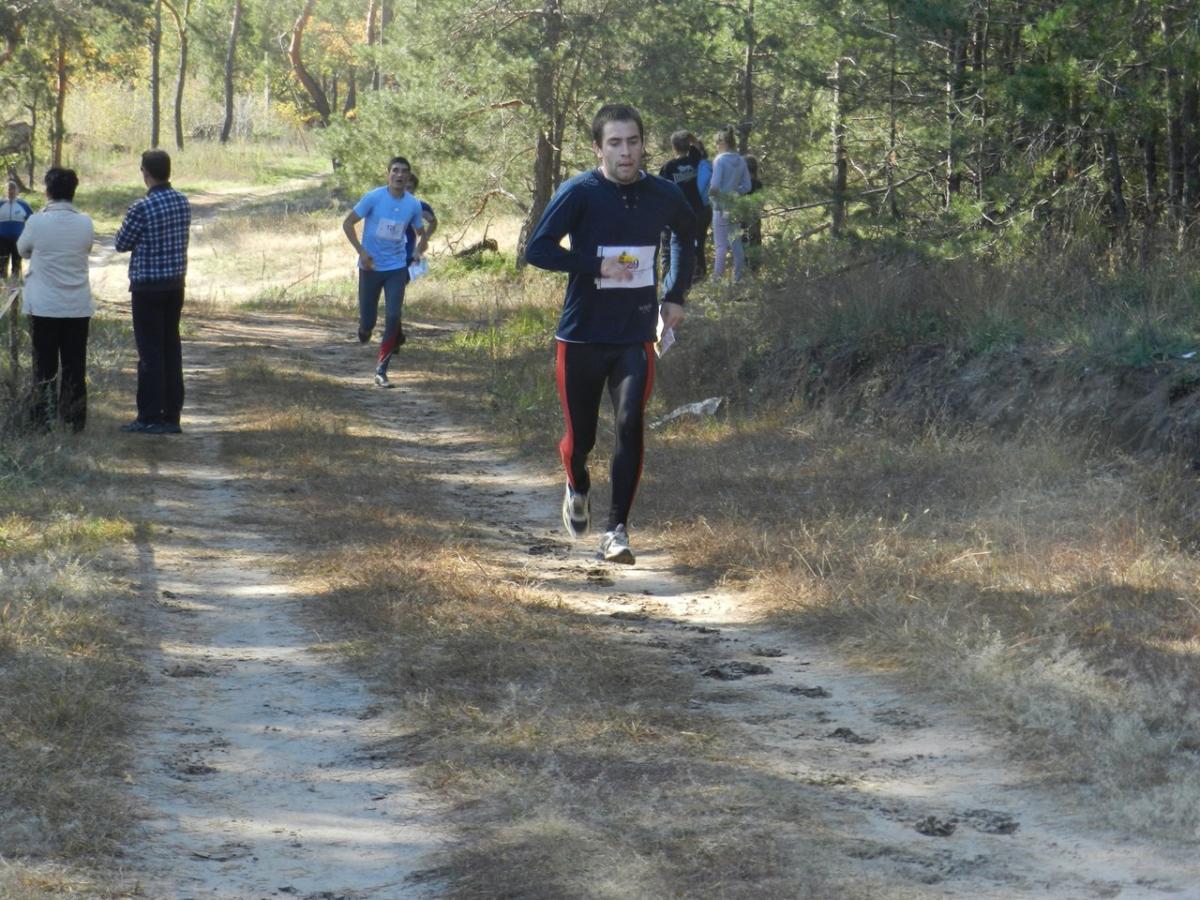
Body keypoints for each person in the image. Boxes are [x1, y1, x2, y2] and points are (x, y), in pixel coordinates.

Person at [525, 102, 697, 565]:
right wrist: (593, 264)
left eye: (634, 142)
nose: (626, 152)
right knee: (581, 440)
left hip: (634, 335)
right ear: (598, 148)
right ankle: (577, 485)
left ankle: (616, 531)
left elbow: (686, 236)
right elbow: (537, 249)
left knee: (629, 425)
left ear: (644, 144)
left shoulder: (663, 194)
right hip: (580, 336)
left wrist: (675, 293)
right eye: (616, 143)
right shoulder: (580, 191)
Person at [114, 149, 192, 435]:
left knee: (149, 352)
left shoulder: (141, 207)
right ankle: (172, 415)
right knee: (171, 347)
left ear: (145, 172)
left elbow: (121, 243)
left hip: (147, 286)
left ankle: (149, 415)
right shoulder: (182, 202)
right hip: (175, 284)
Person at [16, 168, 94, 432]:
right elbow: (87, 247)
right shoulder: (86, 222)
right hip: (77, 305)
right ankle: (73, 419)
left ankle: (42, 420)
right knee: (74, 363)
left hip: (44, 305)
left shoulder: (36, 222)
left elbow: (22, 250)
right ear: (74, 192)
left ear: (47, 191)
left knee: (44, 365)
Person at [342, 156, 428, 388]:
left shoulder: (413, 204)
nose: (399, 176)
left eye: (404, 172)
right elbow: (348, 223)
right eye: (395, 171)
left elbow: (421, 230)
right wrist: (361, 252)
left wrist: (420, 249)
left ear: (409, 177)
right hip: (370, 267)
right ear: (388, 174)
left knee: (393, 316)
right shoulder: (373, 197)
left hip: (396, 268)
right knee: (368, 321)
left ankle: (382, 370)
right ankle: (364, 328)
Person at [657, 130, 706, 294]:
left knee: (668, 250)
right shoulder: (694, 161)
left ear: (673, 147)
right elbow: (701, 148)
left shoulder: (668, 167)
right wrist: (694, 138)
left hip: (673, 214)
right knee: (693, 247)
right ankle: (693, 280)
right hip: (695, 210)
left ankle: (667, 283)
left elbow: (660, 192)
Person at [708, 126, 752, 283]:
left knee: (720, 246)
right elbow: (747, 186)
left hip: (720, 207)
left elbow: (714, 186)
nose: (715, 146)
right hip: (734, 207)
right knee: (736, 244)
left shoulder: (719, 161)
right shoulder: (741, 160)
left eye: (716, 143)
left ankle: (716, 282)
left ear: (722, 142)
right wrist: (735, 193)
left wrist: (712, 201)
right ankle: (738, 278)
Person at [0, 180, 33, 280]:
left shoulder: (24, 205)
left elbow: (32, 221)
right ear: (6, 191)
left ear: (17, 191)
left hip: (18, 240)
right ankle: (2, 285)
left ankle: (15, 285)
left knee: (17, 263)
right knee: (2, 264)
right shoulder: (1, 204)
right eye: (9, 189)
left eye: (13, 189)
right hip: (2, 239)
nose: (11, 192)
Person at [742, 154, 764, 270]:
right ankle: (755, 269)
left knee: (745, 244)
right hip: (755, 218)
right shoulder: (758, 184)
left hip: (745, 219)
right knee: (754, 243)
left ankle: (747, 268)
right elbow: (761, 202)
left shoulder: (743, 185)